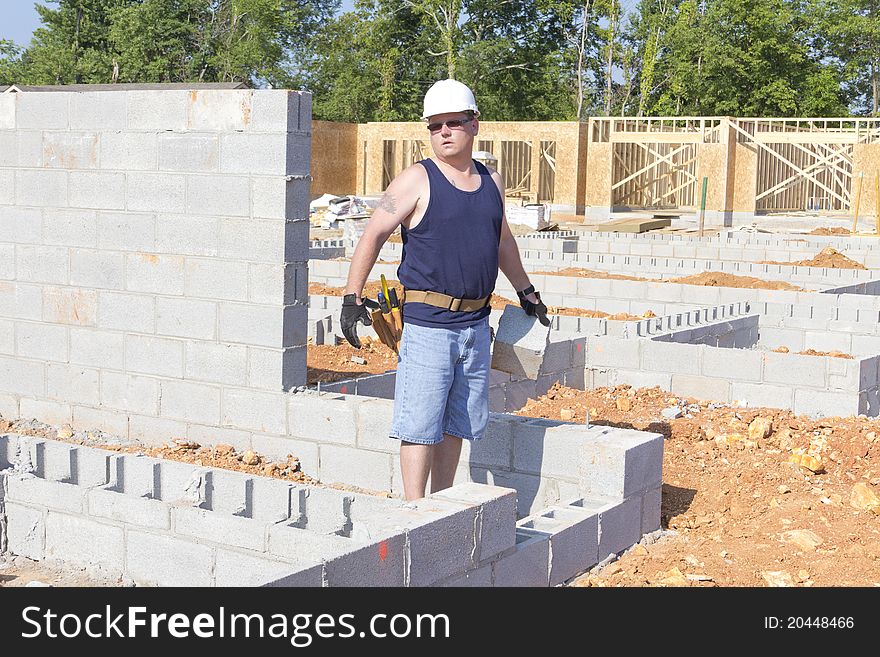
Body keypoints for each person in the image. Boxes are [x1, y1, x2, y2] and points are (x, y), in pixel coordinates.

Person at [340, 79, 549, 501]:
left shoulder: (492, 180)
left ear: (475, 124)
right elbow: (373, 233)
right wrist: (351, 294)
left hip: (475, 325)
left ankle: (442, 502)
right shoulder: (414, 180)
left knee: (456, 423)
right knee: (419, 425)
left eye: (454, 122)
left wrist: (526, 291)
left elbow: (502, 240)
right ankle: (413, 511)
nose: (444, 132)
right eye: (435, 126)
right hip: (428, 327)